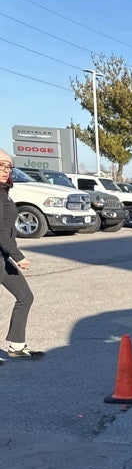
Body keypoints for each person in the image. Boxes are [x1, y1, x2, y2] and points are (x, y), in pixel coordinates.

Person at [0, 149, 44, 363]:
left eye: (8, 166)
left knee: (25, 296)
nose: (5, 170)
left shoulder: (3, 192)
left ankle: (17, 345)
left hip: (3, 256)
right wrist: (17, 256)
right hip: (5, 254)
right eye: (0, 165)